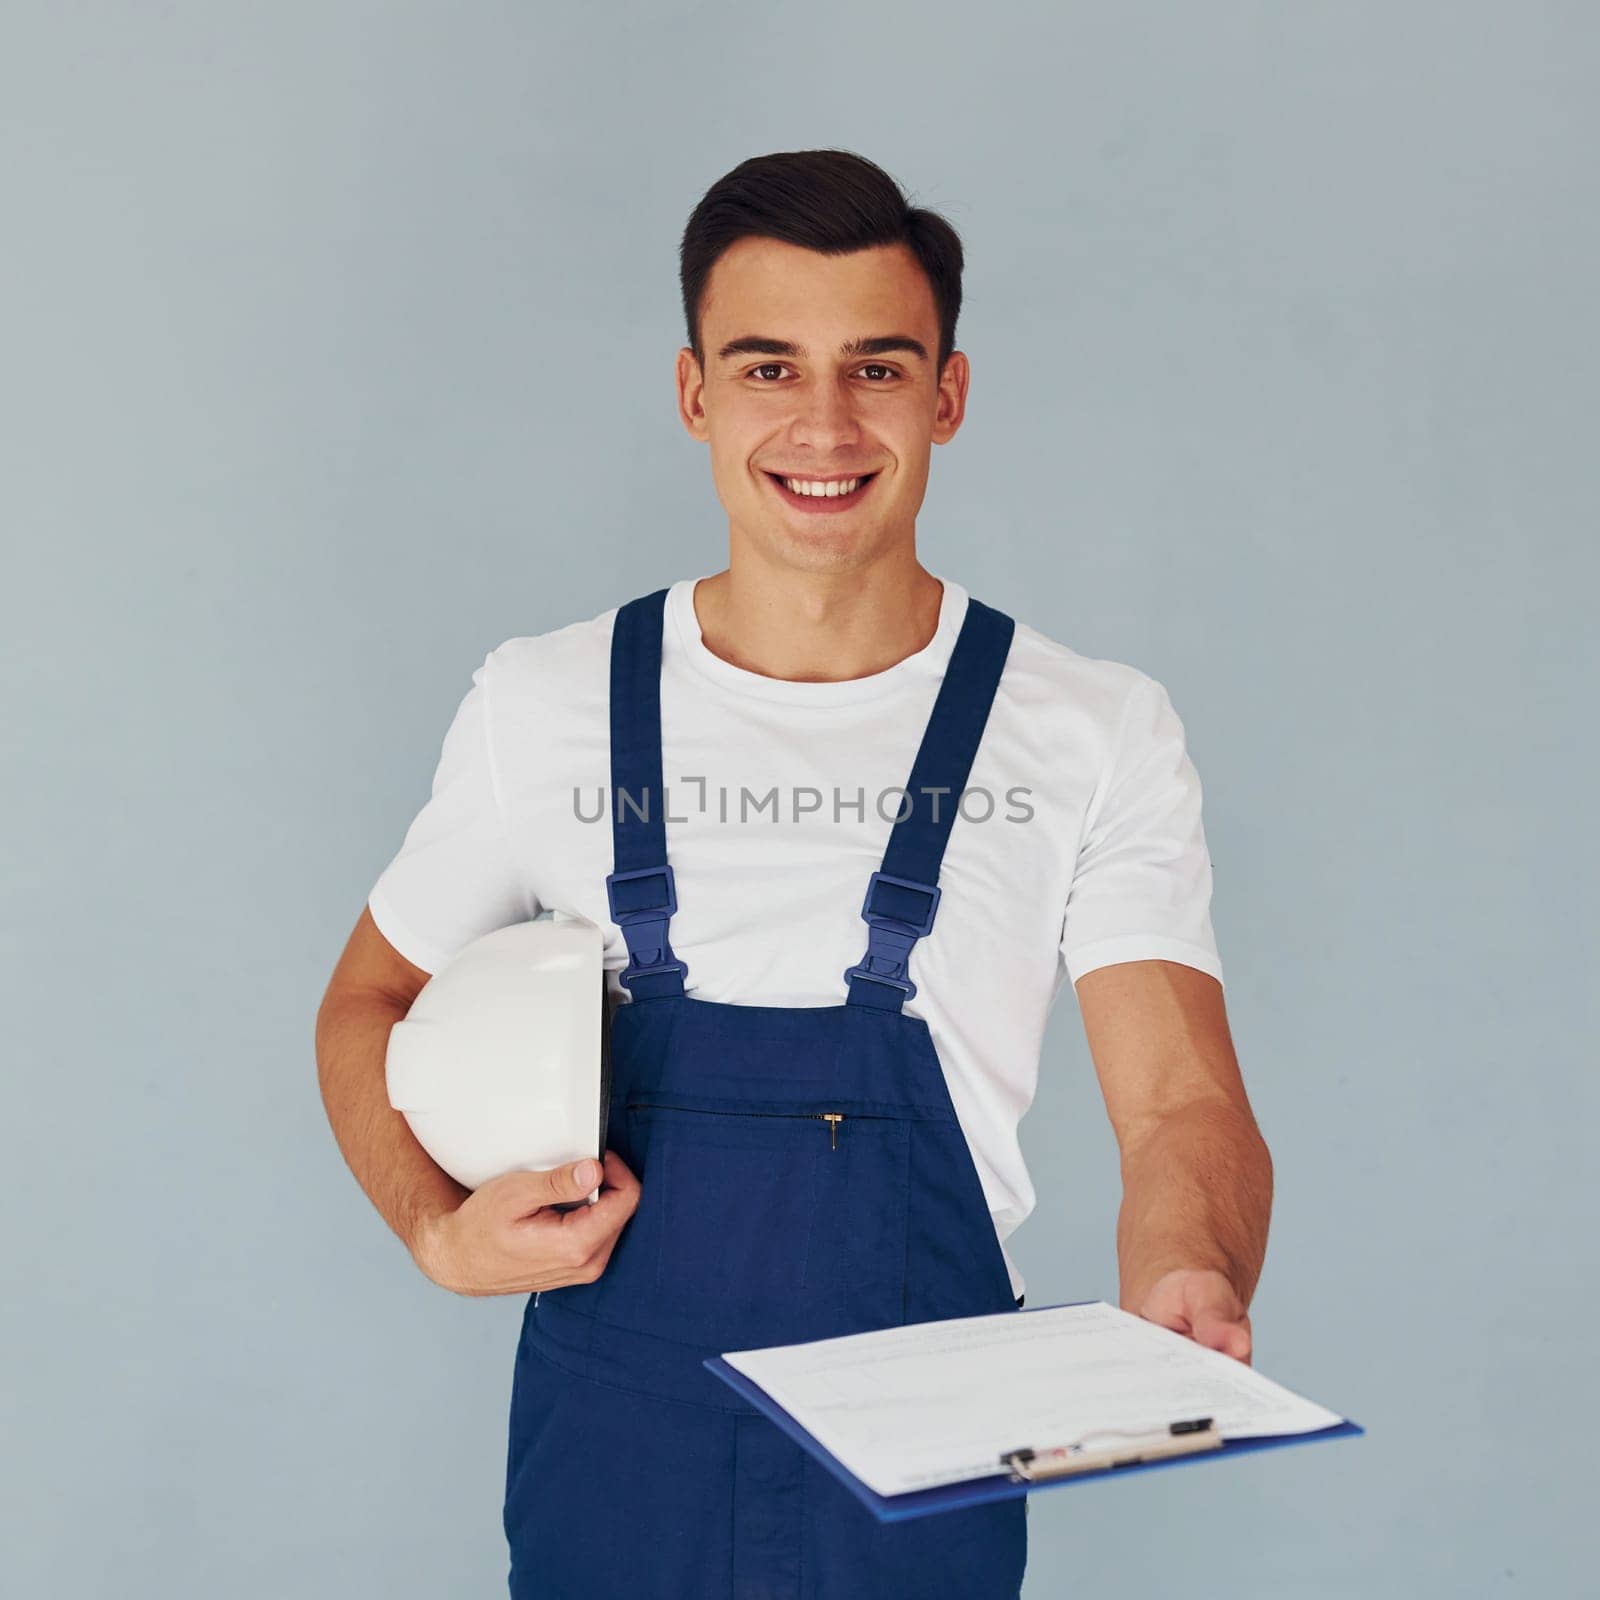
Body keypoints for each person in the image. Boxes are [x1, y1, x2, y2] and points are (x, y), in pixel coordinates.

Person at [315, 148, 1273, 1599]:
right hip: (613, 1455)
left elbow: (1179, 1100)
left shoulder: (1090, 727)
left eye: (877, 370)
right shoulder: (547, 701)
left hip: (926, 1465)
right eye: (768, 368)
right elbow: (364, 1007)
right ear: (695, 393)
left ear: (947, 395)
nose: (824, 422)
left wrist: (1195, 1265)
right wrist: (435, 1233)